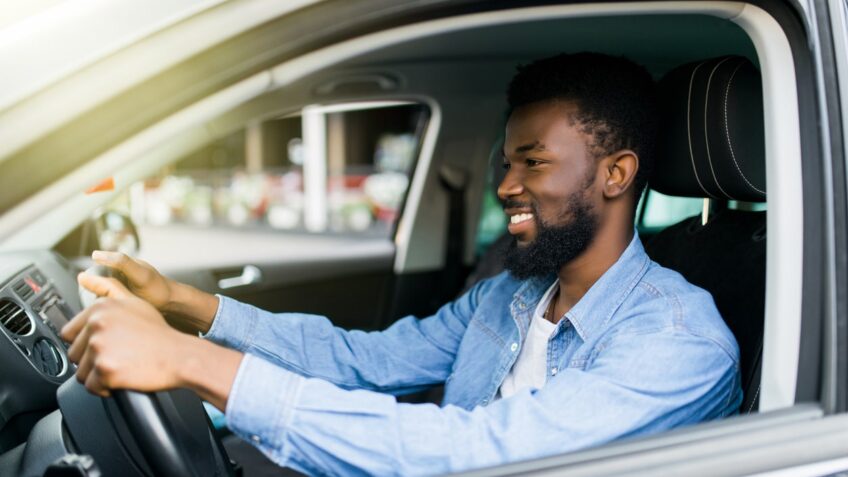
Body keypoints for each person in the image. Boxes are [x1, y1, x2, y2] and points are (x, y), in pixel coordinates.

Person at [62, 52, 741, 476]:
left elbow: (484, 455)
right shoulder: (510, 295)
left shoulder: (679, 341)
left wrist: (190, 362)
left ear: (617, 173)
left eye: (532, 161)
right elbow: (368, 361)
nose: (505, 185)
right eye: (506, 163)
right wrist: (186, 304)